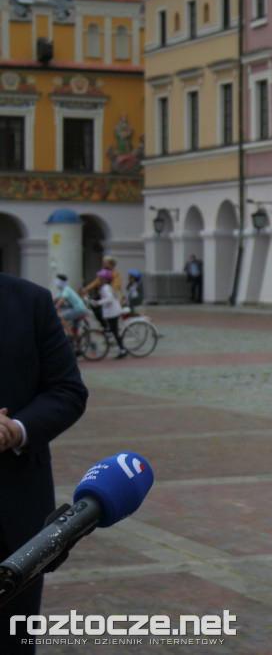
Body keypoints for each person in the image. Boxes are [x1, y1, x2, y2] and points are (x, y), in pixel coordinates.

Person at [0, 273, 89, 654]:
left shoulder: (31, 302)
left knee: (13, 642)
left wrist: (17, 430)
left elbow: (67, 390)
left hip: (14, 521)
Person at [95, 269, 128, 359]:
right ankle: (120, 347)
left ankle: (122, 349)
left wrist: (99, 302)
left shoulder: (106, 287)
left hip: (112, 312)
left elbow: (109, 299)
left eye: (100, 278)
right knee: (114, 330)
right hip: (112, 312)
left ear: (104, 279)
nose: (98, 279)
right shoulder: (107, 287)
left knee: (115, 331)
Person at [53, 273, 89, 340]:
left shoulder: (66, 290)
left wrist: (55, 308)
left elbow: (62, 300)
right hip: (80, 309)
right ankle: (78, 343)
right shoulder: (63, 290)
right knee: (74, 328)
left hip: (79, 309)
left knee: (61, 317)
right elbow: (55, 299)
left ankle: (70, 335)